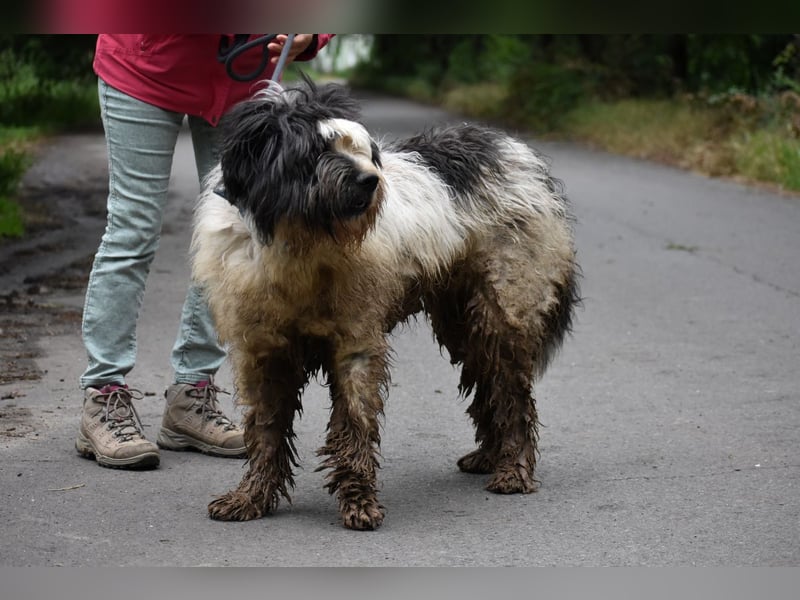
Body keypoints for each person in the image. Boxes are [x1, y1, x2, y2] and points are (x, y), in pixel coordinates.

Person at [76, 34, 332, 469]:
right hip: (144, 65)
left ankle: (191, 397)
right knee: (132, 229)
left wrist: (308, 33)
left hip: (240, 79)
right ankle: (103, 394)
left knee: (229, 233)